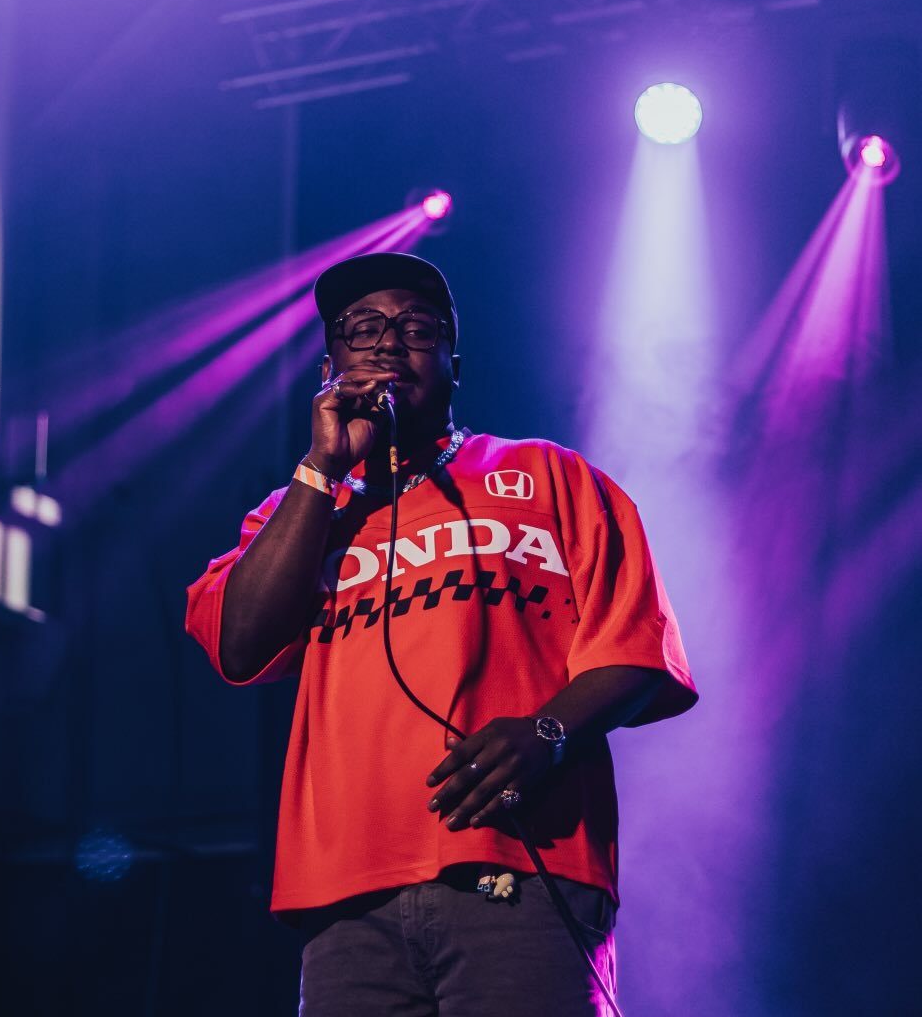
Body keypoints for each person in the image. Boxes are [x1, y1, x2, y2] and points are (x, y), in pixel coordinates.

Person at [185, 252, 698, 1016]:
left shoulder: (551, 477)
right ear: (331, 367)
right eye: (364, 330)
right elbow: (239, 644)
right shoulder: (302, 511)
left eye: (419, 330)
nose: (390, 344)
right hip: (344, 897)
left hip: (520, 865)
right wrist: (324, 472)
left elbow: (638, 652)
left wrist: (547, 732)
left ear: (456, 363)